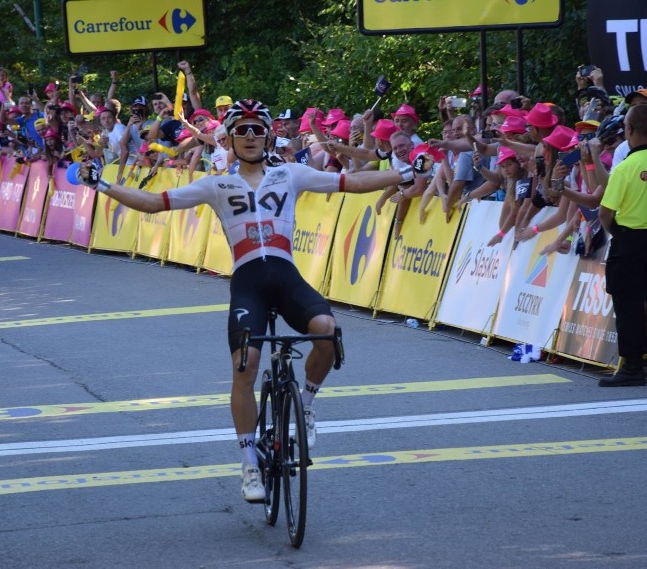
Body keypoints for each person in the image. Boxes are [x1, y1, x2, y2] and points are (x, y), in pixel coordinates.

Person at [75, 99, 417, 502]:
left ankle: (305, 405)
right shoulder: (216, 184)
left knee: (326, 331)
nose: (251, 137)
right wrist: (102, 184)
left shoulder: (290, 174)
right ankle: (249, 464)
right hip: (248, 282)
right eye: (243, 131)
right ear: (231, 139)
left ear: (269, 136)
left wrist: (404, 173)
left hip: (286, 276)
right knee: (246, 364)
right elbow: (155, 203)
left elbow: (351, 185)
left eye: (258, 130)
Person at [598, 104, 647, 386]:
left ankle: (633, 367)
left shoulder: (625, 168)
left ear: (628, 130)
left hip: (630, 241)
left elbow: (605, 212)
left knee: (629, 306)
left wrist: (616, 234)